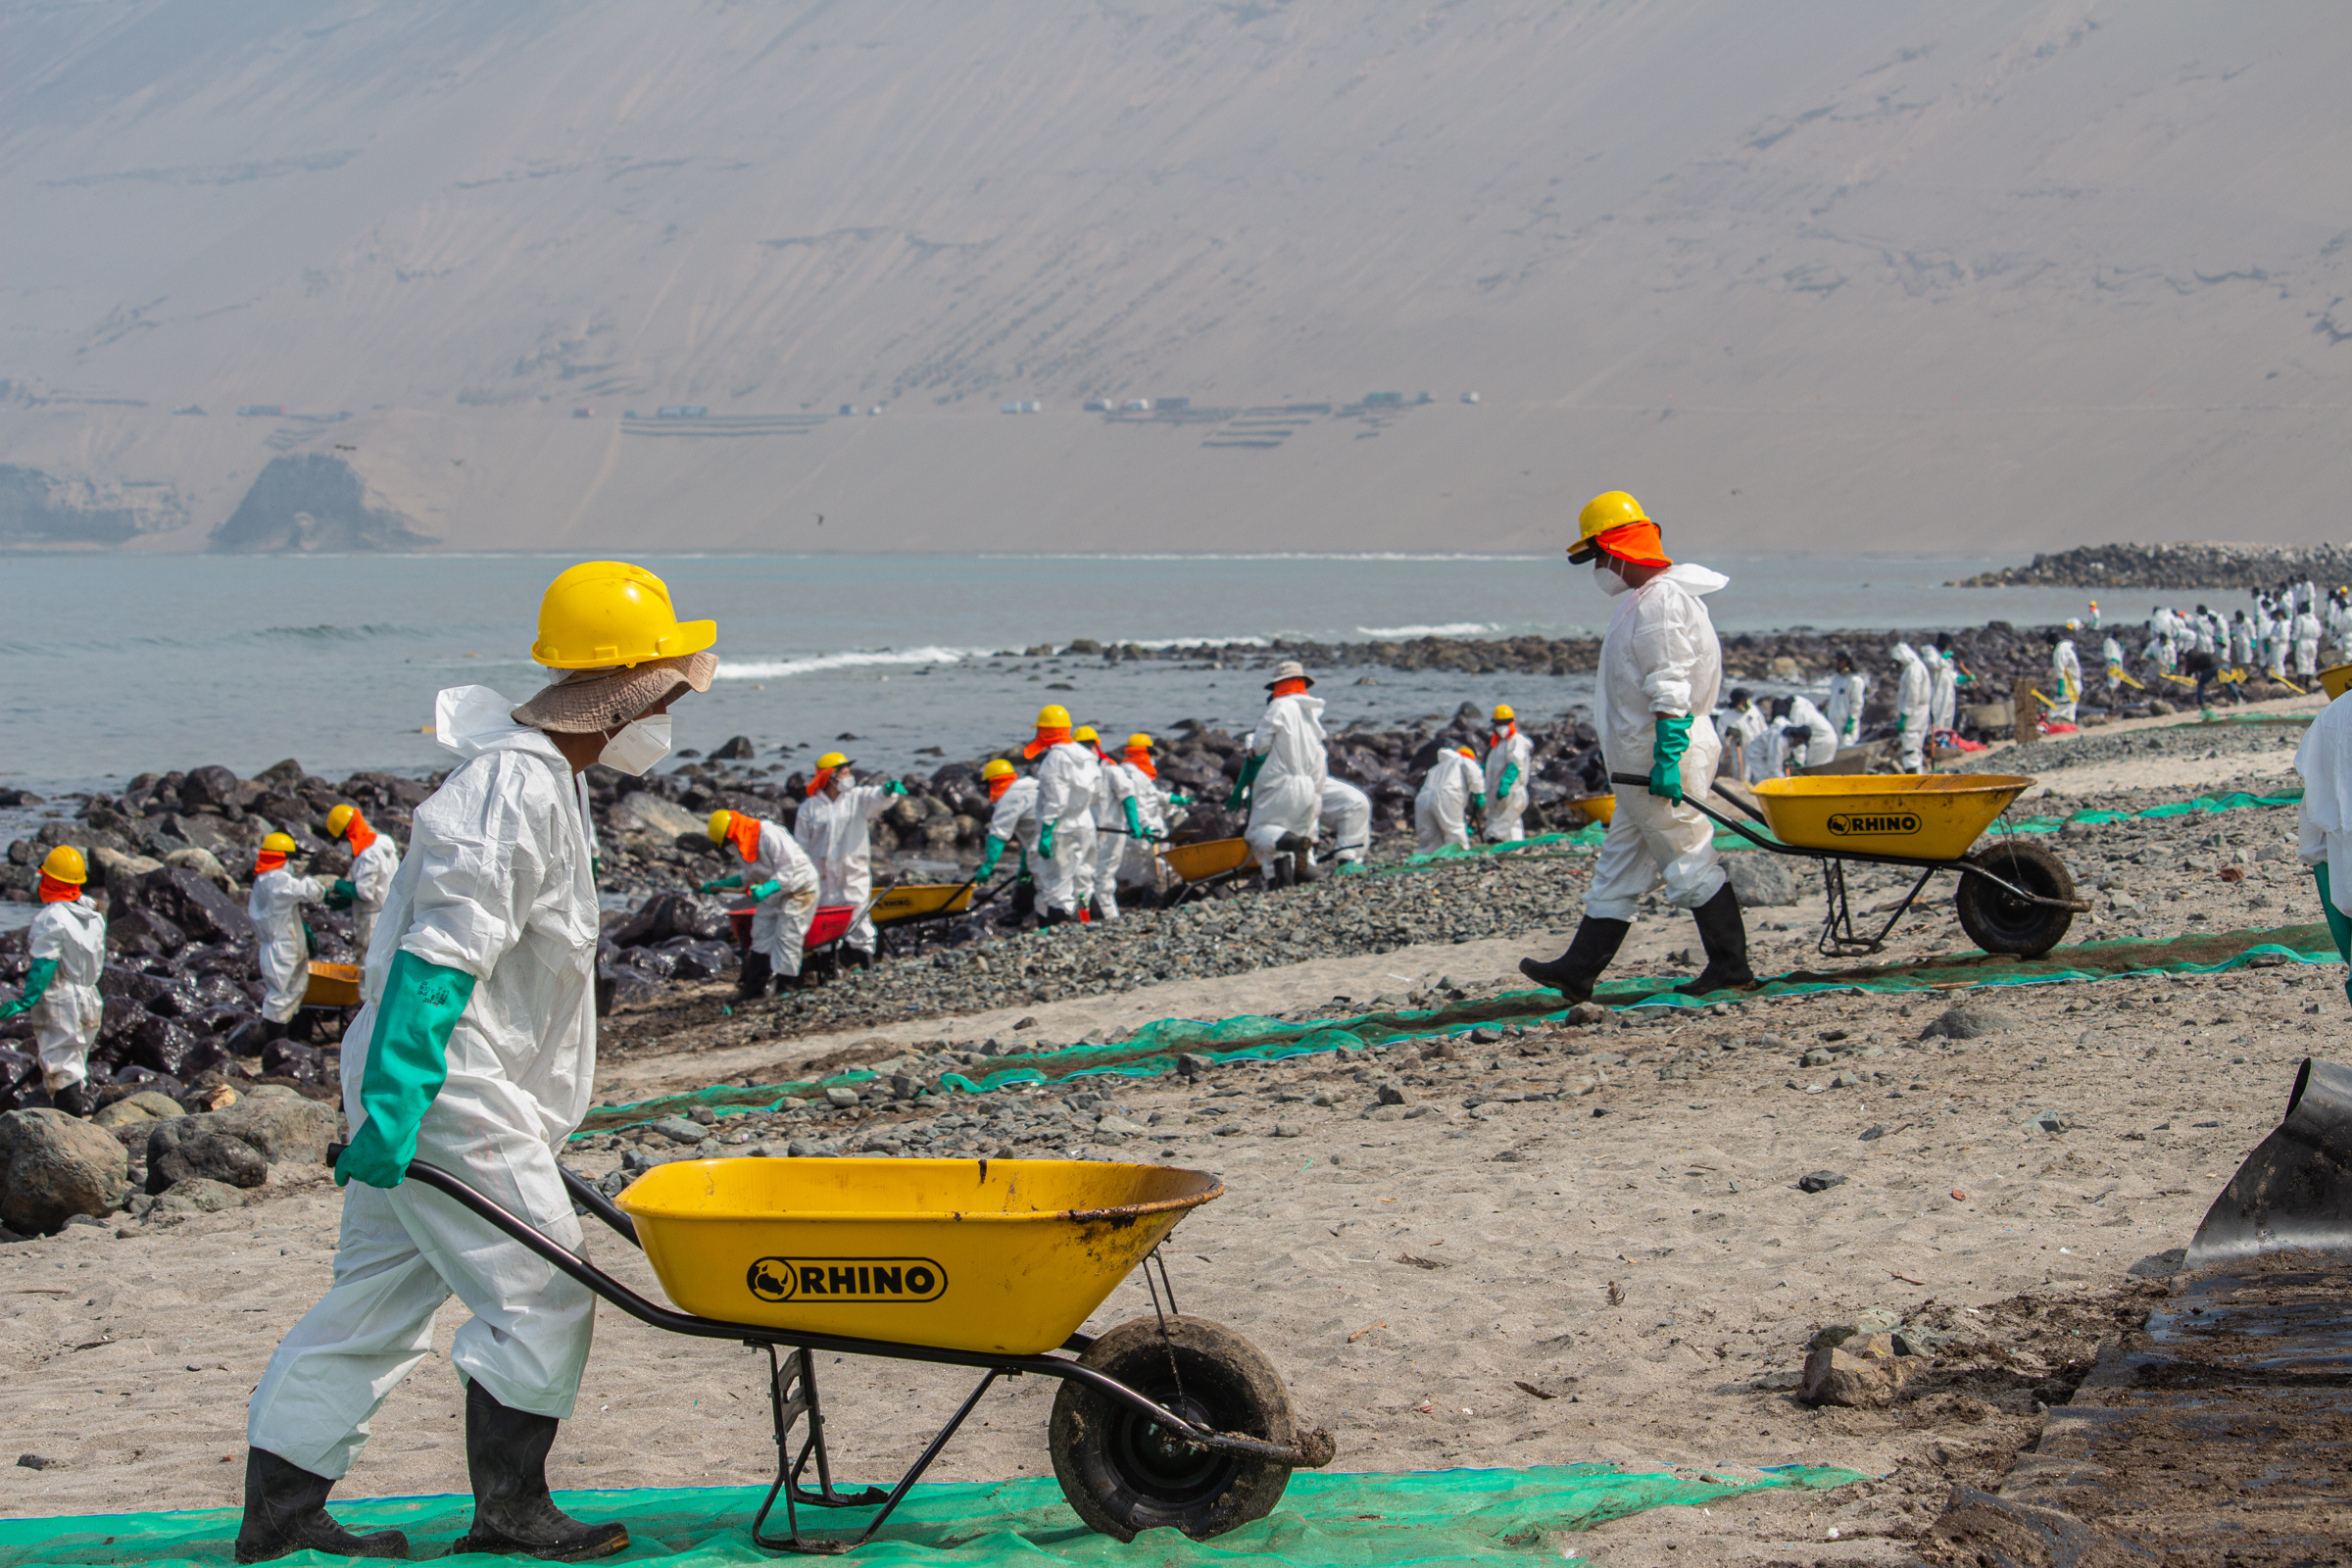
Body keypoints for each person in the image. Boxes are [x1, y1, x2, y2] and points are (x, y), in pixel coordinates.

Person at [242, 559, 718, 1564]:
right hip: (447, 1077)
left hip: (445, 1074)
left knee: (374, 1296)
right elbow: (440, 952)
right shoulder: (515, 786)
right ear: (626, 690)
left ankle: (281, 1521)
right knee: (543, 1286)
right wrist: (404, 1099)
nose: (674, 703)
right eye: (668, 686)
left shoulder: (543, 776)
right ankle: (511, 1511)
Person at [1520, 490, 1753, 1002]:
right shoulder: (1649, 600)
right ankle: (1578, 968)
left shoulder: (1662, 603)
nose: (1599, 567)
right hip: (1638, 763)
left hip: (1658, 757)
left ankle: (1731, 965)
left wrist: (1668, 755)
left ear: (1619, 548)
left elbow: (1669, 681)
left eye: (1599, 556)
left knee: (1689, 855)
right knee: (1619, 866)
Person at [0, 847, 106, 1117]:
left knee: (61, 1067)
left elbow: (45, 963)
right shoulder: (92, 916)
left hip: (61, 998)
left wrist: (27, 999)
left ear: (49, 881)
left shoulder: (52, 917)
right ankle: (75, 1121)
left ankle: (68, 1129)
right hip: (89, 996)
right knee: (74, 1060)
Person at [790, 751, 904, 962]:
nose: (848, 777)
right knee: (824, 921)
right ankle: (829, 965)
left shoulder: (856, 799)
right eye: (844, 773)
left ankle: (864, 961)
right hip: (821, 877)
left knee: (858, 917)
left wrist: (887, 791)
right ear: (829, 777)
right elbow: (800, 846)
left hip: (853, 873)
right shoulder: (810, 808)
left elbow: (875, 797)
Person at [704, 808, 819, 998]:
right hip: (774, 892)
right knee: (760, 935)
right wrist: (720, 885)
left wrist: (766, 889)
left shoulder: (769, 835)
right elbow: (748, 875)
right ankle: (754, 988)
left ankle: (786, 985)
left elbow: (788, 872)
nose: (726, 848)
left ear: (733, 834)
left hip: (800, 887)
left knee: (788, 935)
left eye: (726, 843)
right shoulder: (742, 846)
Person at [1232, 661, 1328, 888]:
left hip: (1279, 780)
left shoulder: (1280, 706)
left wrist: (1255, 756)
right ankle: (1297, 885)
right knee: (1291, 835)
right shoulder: (1311, 713)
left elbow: (1261, 745)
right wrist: (1315, 792)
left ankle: (1293, 844)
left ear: (1278, 685)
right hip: (1307, 784)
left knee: (1258, 833)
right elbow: (1319, 758)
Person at [1018, 705, 1102, 924]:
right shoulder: (1086, 756)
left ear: (1044, 733)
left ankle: (1054, 931)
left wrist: (1046, 832)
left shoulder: (1054, 760)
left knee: (1056, 883)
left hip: (1061, 829)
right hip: (1085, 824)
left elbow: (1056, 799)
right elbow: (1096, 793)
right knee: (1083, 879)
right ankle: (1085, 922)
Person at [249, 830, 329, 1043]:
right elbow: (309, 891)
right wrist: (322, 883)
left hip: (279, 944)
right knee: (281, 995)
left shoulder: (262, 880)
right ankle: (273, 1043)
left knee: (291, 991)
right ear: (283, 858)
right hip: (282, 946)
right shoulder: (278, 880)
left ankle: (284, 1040)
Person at [1106, 735, 1176, 907]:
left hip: (1138, 832)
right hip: (1145, 833)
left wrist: (1170, 798)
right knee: (1149, 872)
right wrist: (1147, 828)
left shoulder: (1132, 773)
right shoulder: (1135, 776)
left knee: (1136, 871)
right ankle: (1151, 903)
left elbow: (1152, 795)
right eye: (1149, 754)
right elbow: (1139, 806)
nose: (1152, 759)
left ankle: (1138, 901)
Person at [321, 805, 401, 956]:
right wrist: (345, 901)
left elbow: (365, 891)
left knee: (367, 964)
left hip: (373, 920)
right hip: (389, 911)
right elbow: (377, 886)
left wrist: (336, 884)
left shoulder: (368, 854)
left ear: (347, 834)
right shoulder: (383, 842)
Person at [974, 759, 1043, 916]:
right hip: (1066, 836)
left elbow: (997, 836)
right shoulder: (1033, 786)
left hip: (1045, 847)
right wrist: (1025, 866)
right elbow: (1031, 831)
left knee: (1046, 890)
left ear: (993, 784)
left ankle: (1050, 925)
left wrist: (988, 865)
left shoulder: (1010, 797)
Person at [1414, 745, 1482, 852]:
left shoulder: (1436, 768)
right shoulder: (1463, 761)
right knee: (1454, 830)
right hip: (1446, 794)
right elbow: (1475, 776)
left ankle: (1427, 857)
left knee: (1429, 834)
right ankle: (1459, 856)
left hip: (1423, 798)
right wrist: (1479, 794)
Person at [1482, 704, 1534, 842]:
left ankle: (1501, 843)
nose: (1501, 727)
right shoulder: (1497, 745)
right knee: (1509, 823)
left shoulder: (1516, 741)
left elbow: (1516, 764)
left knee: (1504, 823)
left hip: (1512, 790)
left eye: (1504, 723)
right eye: (1498, 723)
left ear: (1512, 722)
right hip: (1496, 792)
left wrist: (1505, 784)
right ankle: (1512, 849)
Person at [1768, 694, 1837, 774]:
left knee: (1813, 770)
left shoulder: (1797, 715)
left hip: (1821, 741)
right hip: (1830, 736)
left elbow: (1799, 743)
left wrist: (1798, 764)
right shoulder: (1800, 704)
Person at [1890, 643, 1933, 771]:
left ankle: (1913, 779)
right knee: (1915, 749)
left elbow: (1913, 695)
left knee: (1910, 748)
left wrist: (1904, 716)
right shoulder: (1915, 667)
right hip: (1919, 712)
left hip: (1914, 715)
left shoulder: (1914, 670)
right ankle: (1918, 776)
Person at [1717, 689, 1768, 783]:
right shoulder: (1726, 716)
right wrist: (1728, 733)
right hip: (1739, 750)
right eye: (1743, 701)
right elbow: (1721, 734)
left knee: (1760, 776)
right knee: (1742, 777)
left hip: (1757, 749)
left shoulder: (1754, 710)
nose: (1746, 703)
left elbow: (1763, 728)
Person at [1824, 651, 1869, 750]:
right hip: (1833, 721)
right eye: (1837, 661)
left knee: (1846, 748)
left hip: (1845, 724)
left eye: (1841, 661)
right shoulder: (1836, 679)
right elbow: (1832, 699)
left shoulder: (1854, 680)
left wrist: (1851, 720)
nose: (1838, 663)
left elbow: (1856, 702)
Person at [1928, 634, 1960, 738]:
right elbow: (1934, 665)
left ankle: (1944, 741)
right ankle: (1933, 741)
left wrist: (1964, 679)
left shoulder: (1949, 661)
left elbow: (1953, 677)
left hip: (1948, 695)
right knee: (1936, 718)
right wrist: (1943, 657)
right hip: (1937, 693)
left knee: (1947, 718)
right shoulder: (1930, 653)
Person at [2294, 603, 2324, 680]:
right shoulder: (2315, 619)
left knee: (2302, 660)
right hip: (2313, 642)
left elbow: (2297, 631)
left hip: (2302, 641)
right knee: (2311, 661)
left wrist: (2293, 639)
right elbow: (2319, 632)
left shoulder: (2300, 618)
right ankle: (2309, 680)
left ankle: (2301, 680)